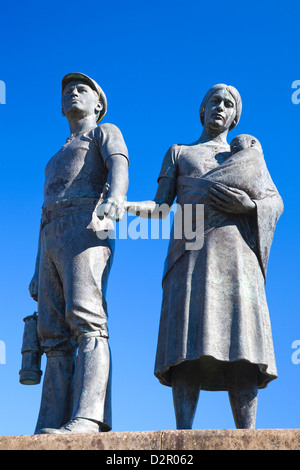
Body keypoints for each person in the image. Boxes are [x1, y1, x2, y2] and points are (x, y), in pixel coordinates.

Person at [125, 84, 283, 429]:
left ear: (236, 116)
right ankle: (183, 434)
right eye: (215, 101)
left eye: (229, 104)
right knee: (186, 344)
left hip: (238, 253)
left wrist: (250, 206)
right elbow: (161, 206)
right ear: (202, 108)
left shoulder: (248, 156)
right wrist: (124, 206)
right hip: (190, 250)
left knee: (242, 343)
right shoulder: (179, 153)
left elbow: (275, 201)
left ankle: (248, 437)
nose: (221, 107)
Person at [29, 72, 129, 434]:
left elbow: (119, 163)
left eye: (82, 89)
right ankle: (50, 422)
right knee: (52, 334)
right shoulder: (56, 156)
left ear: (98, 104)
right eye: (68, 90)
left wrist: (116, 197)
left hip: (86, 225)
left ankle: (88, 416)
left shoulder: (105, 132)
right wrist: (36, 268)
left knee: (87, 321)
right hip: (50, 235)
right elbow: (44, 211)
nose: (73, 92)